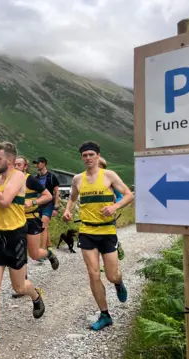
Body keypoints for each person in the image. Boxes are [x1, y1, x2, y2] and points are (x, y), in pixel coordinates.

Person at [0, 142, 45, 356]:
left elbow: (4, 201)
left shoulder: (18, 178)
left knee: (19, 287)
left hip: (15, 237)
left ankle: (35, 296)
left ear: (10, 161)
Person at [63, 141, 134, 331]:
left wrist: (114, 206)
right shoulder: (78, 179)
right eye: (84, 155)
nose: (88, 158)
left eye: (91, 155)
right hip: (87, 231)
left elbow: (128, 195)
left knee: (111, 275)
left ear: (97, 156)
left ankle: (118, 283)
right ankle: (104, 314)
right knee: (93, 274)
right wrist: (68, 210)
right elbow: (72, 197)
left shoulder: (109, 175)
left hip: (107, 231)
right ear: (81, 158)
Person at [11, 156, 59, 298]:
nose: (16, 167)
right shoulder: (9, 181)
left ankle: (49, 254)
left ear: (25, 167)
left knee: (34, 254)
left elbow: (48, 196)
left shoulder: (31, 180)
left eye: (19, 164)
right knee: (19, 254)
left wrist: (32, 203)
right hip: (16, 221)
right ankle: (23, 285)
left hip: (31, 220)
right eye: (14, 164)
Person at [32, 157, 60, 260]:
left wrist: (56, 207)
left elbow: (56, 192)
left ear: (44, 164)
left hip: (49, 204)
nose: (36, 165)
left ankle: (42, 252)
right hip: (38, 205)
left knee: (43, 225)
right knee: (43, 227)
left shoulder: (52, 176)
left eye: (38, 163)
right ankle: (49, 247)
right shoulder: (35, 178)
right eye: (35, 164)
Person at [98, 157, 125, 262]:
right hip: (93, 215)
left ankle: (116, 246)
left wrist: (114, 206)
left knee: (107, 237)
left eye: (98, 166)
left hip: (108, 214)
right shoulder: (88, 179)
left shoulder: (110, 180)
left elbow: (121, 196)